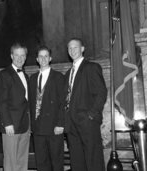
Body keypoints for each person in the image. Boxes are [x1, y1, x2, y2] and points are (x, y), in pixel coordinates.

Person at [64, 38, 107, 171]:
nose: (72, 50)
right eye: (70, 48)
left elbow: (101, 93)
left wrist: (90, 116)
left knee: (93, 161)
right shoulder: (67, 74)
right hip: (72, 125)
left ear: (82, 49)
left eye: (75, 47)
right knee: (77, 163)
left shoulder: (92, 67)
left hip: (87, 123)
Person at [29, 46, 65, 171]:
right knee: (41, 163)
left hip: (54, 127)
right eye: (40, 56)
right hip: (38, 128)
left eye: (46, 56)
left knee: (56, 162)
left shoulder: (58, 77)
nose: (43, 59)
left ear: (50, 58)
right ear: (37, 59)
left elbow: (63, 102)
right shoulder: (32, 78)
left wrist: (60, 124)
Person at [0, 43, 30, 171]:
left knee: (22, 161)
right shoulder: (4, 74)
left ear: (26, 57)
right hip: (11, 126)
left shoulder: (26, 76)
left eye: (23, 55)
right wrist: (7, 123)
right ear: (11, 56)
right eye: (17, 55)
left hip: (25, 125)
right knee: (11, 163)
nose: (20, 58)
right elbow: (2, 101)